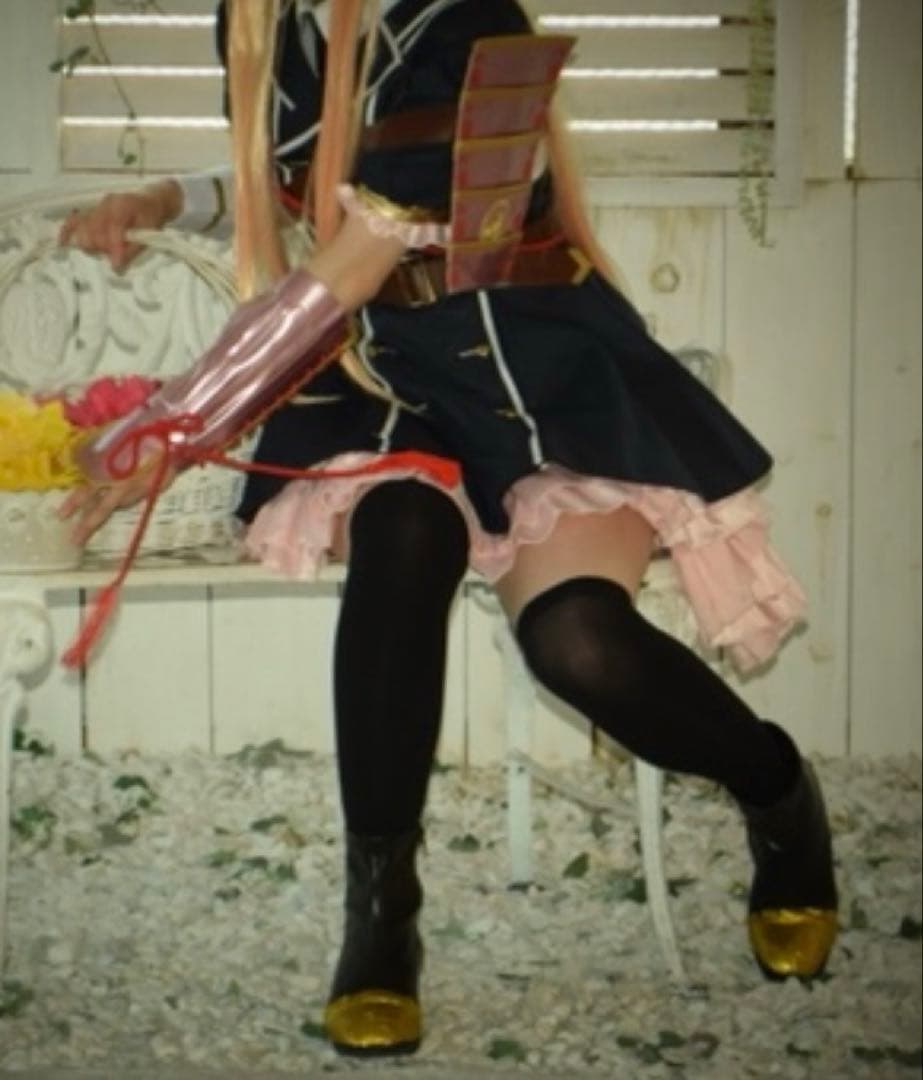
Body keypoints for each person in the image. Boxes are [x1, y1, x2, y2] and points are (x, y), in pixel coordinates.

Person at [59, 0, 838, 1058]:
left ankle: (776, 791)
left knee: (577, 640)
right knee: (402, 537)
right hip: (389, 391)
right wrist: (167, 196)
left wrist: (174, 424)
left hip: (536, 380)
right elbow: (304, 186)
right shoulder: (267, 23)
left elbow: (353, 257)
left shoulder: (467, 23)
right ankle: (382, 915)